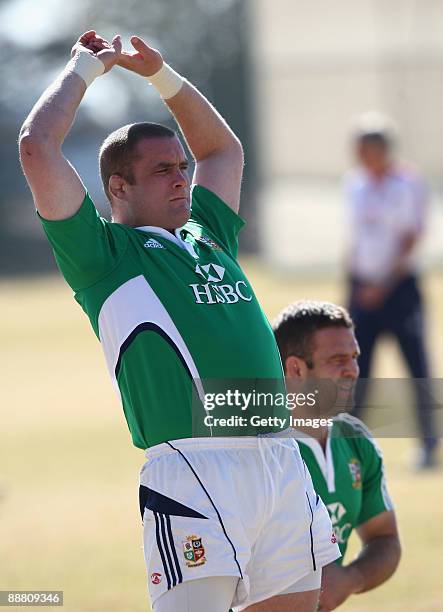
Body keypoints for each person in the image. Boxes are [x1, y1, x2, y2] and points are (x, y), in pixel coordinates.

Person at [19, 31, 339, 612]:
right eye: (163, 169)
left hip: (280, 459)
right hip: (194, 468)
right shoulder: (105, 257)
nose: (181, 178)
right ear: (119, 187)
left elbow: (224, 152)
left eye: (181, 167)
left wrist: (161, 77)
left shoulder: (207, 233)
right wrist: (84, 72)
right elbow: (37, 146)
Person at [273, 300, 401, 611]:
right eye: (337, 359)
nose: (353, 370)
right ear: (296, 369)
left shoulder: (356, 441)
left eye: (354, 357)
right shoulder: (260, 451)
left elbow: (384, 538)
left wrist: (351, 577)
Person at [345, 112, 438, 468]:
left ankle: (429, 444)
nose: (359, 157)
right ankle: (350, 444)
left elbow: (411, 236)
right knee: (354, 367)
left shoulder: (407, 183)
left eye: (365, 150)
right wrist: (355, 284)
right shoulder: (354, 184)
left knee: (417, 366)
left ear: (381, 149)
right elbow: (354, 239)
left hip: (398, 290)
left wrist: (382, 285)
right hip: (362, 287)